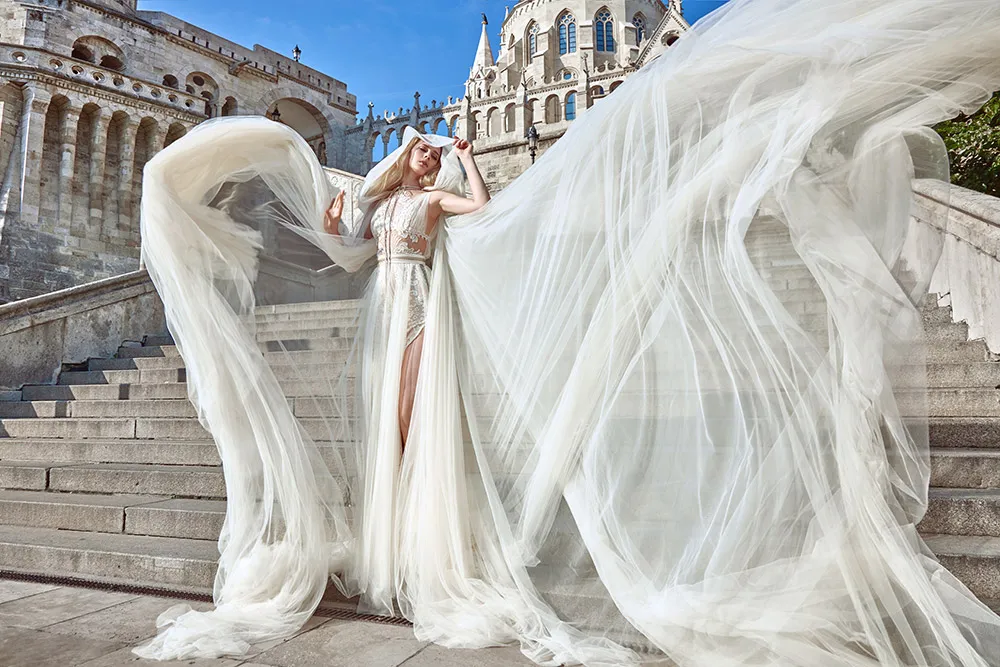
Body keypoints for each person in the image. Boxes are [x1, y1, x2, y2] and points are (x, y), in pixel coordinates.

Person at [134, 0, 1000, 664]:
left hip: (422, 310)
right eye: (422, 151)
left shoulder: (435, 195)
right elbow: (349, 236)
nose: (425, 155)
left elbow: (479, 208)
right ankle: (394, 543)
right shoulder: (387, 196)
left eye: (429, 152)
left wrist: (464, 160)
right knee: (392, 434)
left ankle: (433, 549)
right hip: (385, 306)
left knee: (423, 423)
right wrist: (364, 188)